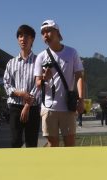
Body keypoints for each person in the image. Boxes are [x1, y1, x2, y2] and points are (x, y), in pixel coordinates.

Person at [34, 19, 85, 147]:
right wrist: (45, 78)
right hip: (48, 108)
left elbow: (79, 76)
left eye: (48, 31)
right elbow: (37, 84)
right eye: (43, 33)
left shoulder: (71, 52)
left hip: (68, 107)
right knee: (52, 145)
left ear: (57, 32)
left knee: (70, 144)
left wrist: (81, 100)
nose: (45, 35)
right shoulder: (41, 57)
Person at [3, 24, 41, 148]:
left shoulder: (38, 61)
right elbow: (7, 83)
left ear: (32, 39)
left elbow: (39, 86)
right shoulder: (11, 63)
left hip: (33, 107)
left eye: (26, 36)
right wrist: (20, 93)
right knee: (15, 142)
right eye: (20, 36)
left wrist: (27, 105)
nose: (23, 39)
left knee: (31, 142)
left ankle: (32, 167)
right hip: (14, 107)